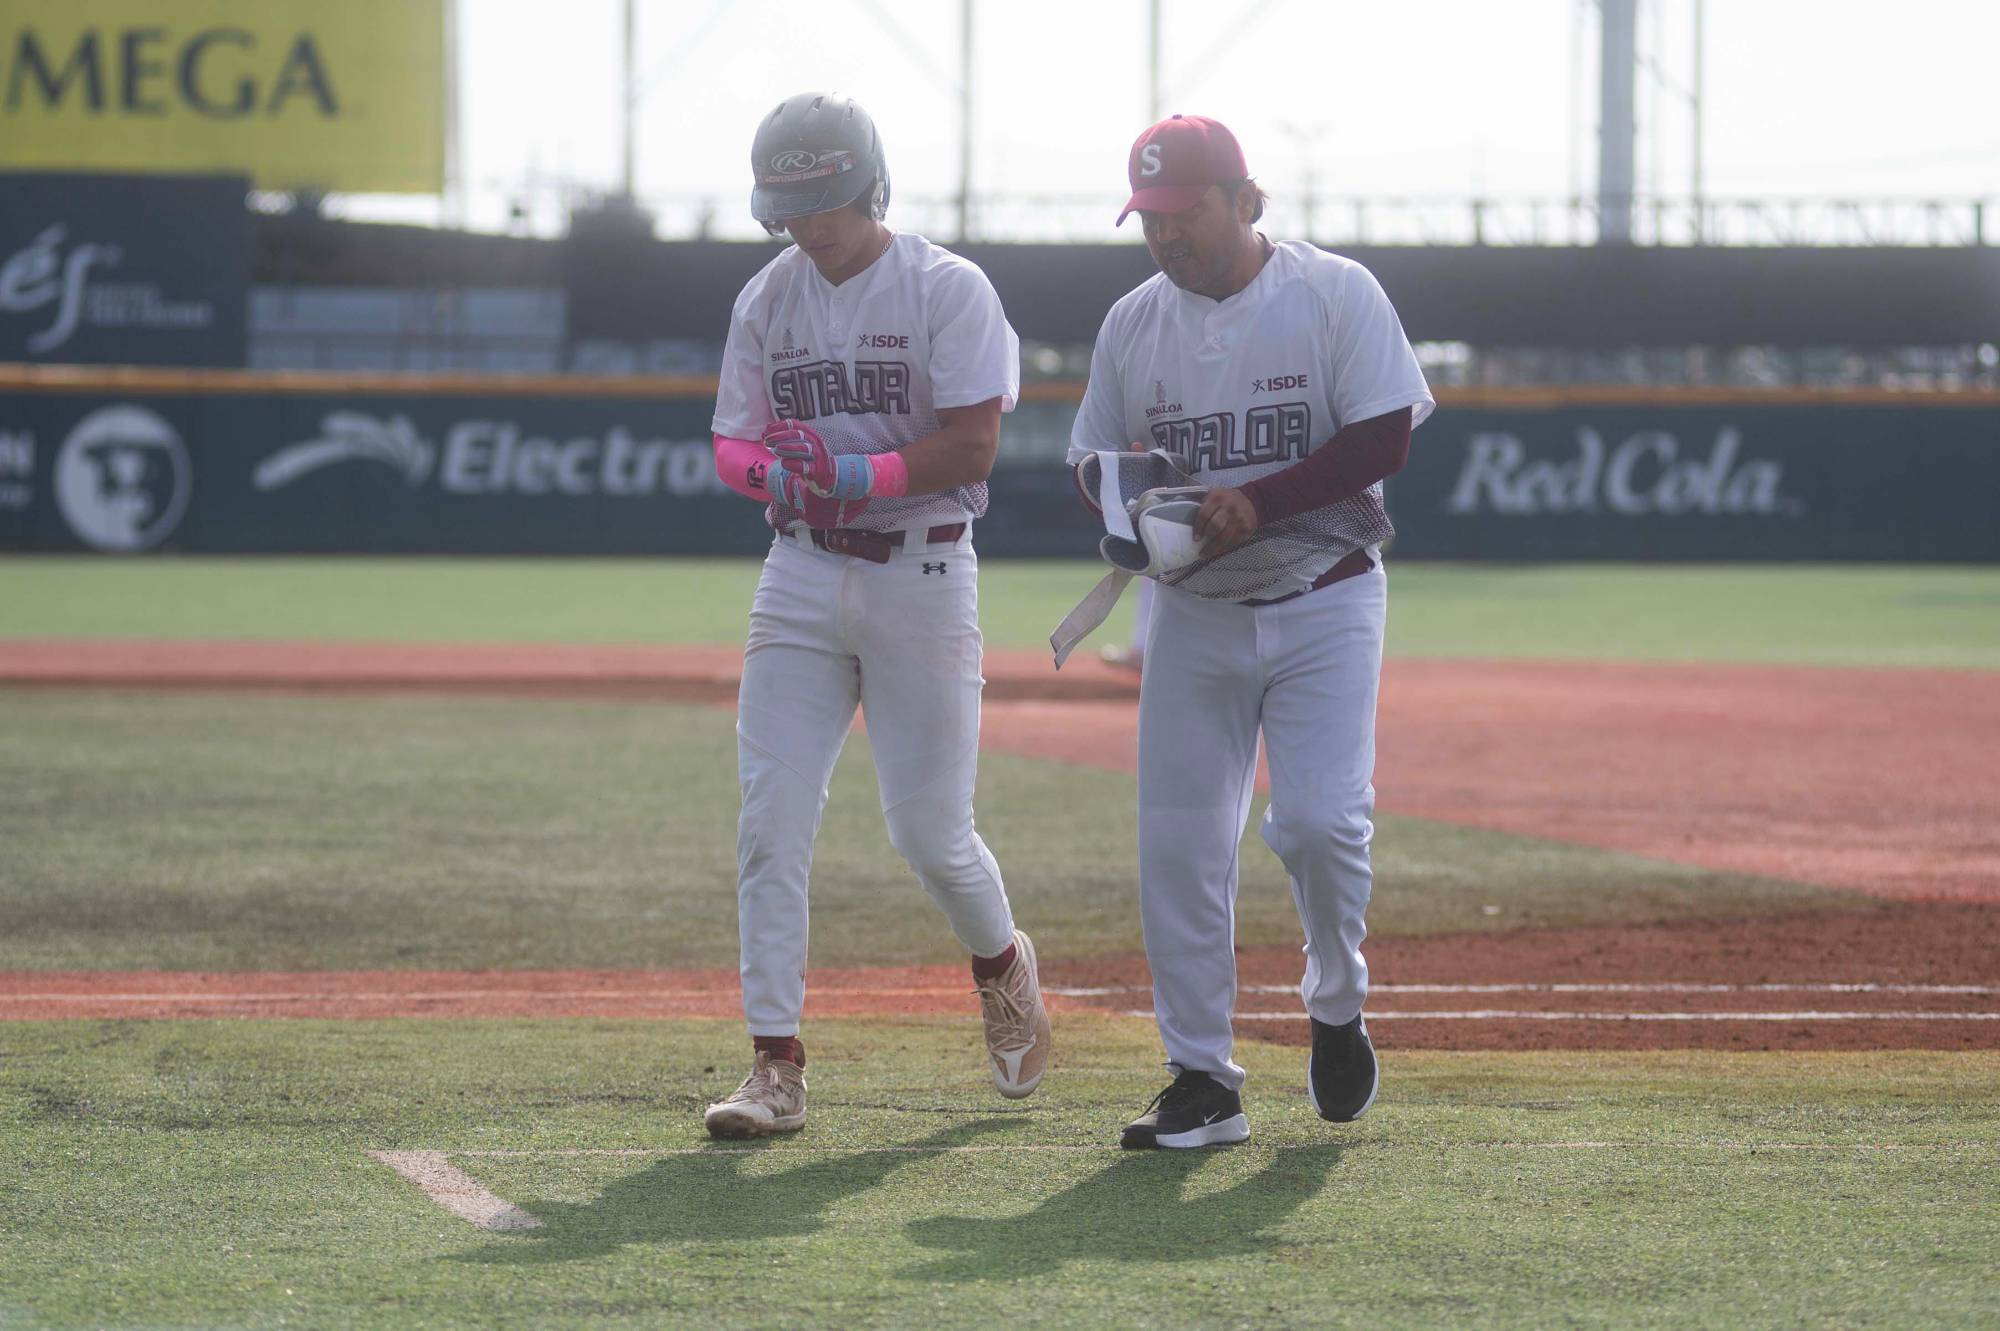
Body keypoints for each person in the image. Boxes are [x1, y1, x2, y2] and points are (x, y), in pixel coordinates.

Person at [1067, 114, 1434, 1149]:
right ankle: (1200, 1078)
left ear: (1245, 201)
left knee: (1319, 824)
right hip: (1192, 614)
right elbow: (1089, 460)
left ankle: (1334, 994)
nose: (1165, 234)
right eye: (1149, 216)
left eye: (1184, 211)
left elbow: (1384, 433)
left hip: (1326, 591)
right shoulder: (1133, 322)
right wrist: (1129, 513)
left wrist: (1257, 501)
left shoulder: (1331, 292)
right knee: (1178, 847)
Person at [702, 91, 1051, 1139]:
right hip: (800, 571)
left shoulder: (947, 287)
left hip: (922, 570)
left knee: (930, 833)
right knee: (768, 820)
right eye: (793, 208)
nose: (812, 226)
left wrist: (852, 469)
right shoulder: (767, 298)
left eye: (829, 205)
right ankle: (774, 1063)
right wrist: (773, 473)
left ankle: (1002, 965)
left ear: (872, 186)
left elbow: (973, 444)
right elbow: (729, 440)